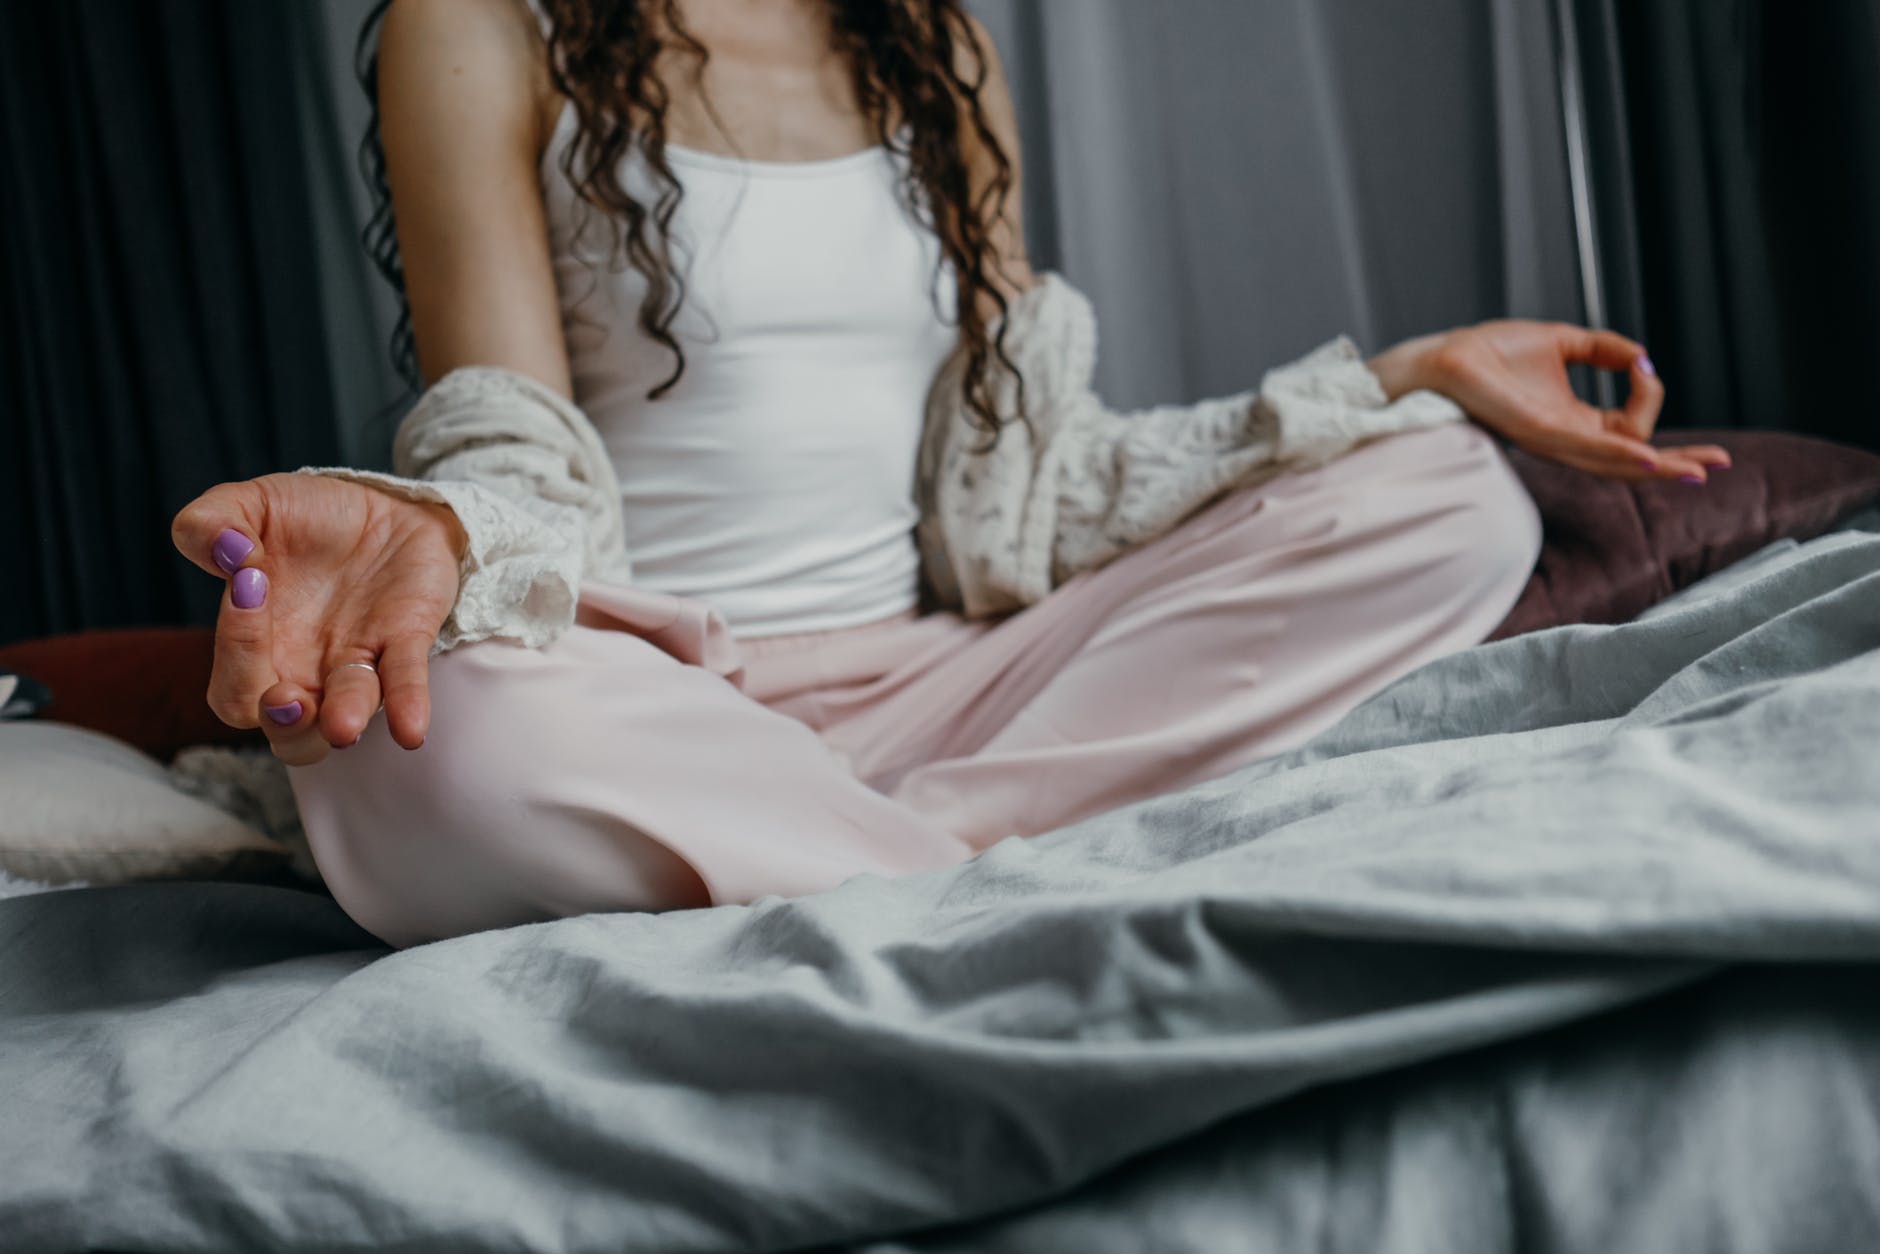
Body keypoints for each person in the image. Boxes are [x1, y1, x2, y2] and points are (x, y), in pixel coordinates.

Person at [169, 0, 1731, 948]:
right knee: (420, 735)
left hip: (955, 678)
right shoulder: (483, 26)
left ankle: (846, 848)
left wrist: (1400, 375)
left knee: (1446, 491)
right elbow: (513, 436)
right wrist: (442, 530)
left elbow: (1038, 484)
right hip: (669, 690)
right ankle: (969, 860)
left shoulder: (939, 53)